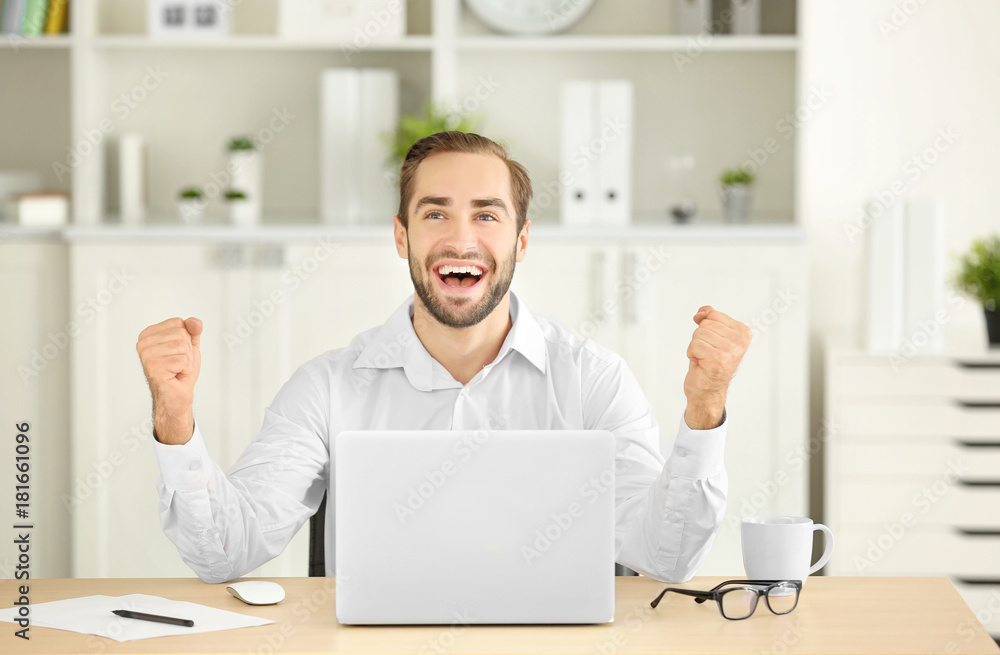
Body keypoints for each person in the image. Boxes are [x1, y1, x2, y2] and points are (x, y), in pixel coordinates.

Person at [136, 131, 751, 584]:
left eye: (487, 215)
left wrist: (705, 408)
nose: (461, 239)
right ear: (402, 235)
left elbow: (667, 557)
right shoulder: (327, 388)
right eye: (436, 214)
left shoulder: (591, 380)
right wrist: (175, 422)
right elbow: (224, 553)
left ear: (522, 239)